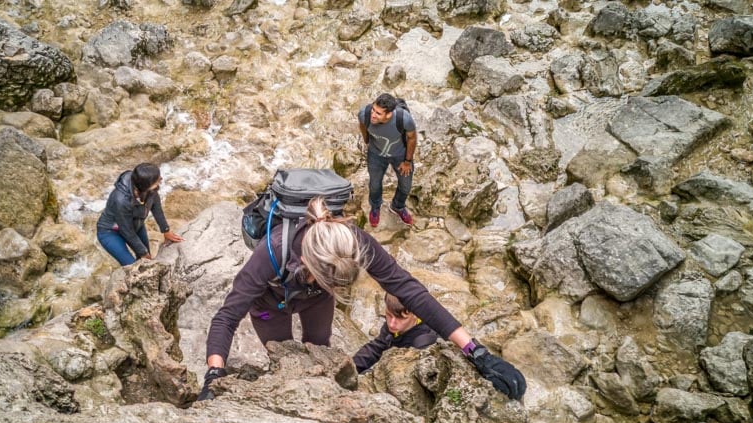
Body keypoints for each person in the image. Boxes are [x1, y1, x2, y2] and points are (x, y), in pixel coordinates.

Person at [198, 197, 525, 401]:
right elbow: (227, 316)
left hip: (316, 298)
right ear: (309, 265)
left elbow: (410, 290)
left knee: (319, 348)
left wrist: (475, 351)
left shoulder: (351, 240)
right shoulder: (269, 256)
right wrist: (214, 375)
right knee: (281, 351)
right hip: (270, 304)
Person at [352, 293, 526, 400]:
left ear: (416, 313)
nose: (392, 323)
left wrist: (480, 355)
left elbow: (452, 335)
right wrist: (350, 367)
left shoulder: (426, 339)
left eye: (399, 319)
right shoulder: (394, 327)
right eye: (388, 316)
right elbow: (376, 347)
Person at [96, 163, 183, 266]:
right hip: (110, 231)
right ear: (145, 185)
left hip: (136, 224)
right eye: (158, 179)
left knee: (146, 260)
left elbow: (156, 208)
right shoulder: (120, 200)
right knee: (132, 265)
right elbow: (126, 230)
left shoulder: (150, 190)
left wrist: (166, 231)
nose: (161, 179)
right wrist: (143, 252)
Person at [358, 93, 417, 228]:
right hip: (376, 154)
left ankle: (398, 206)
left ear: (389, 115)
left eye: (378, 113)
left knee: (406, 185)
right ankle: (375, 206)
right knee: (374, 184)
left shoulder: (404, 119)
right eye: (373, 109)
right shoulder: (364, 114)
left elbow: (412, 138)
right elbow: (362, 125)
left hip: (400, 155)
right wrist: (366, 139)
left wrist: (407, 161)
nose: (373, 114)